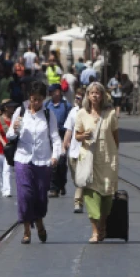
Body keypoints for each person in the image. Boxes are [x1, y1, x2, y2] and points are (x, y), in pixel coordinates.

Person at [7, 81, 63, 244]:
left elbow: (55, 138)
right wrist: (15, 128)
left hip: (43, 160)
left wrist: (55, 156)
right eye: (33, 99)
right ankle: (26, 230)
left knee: (40, 197)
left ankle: (38, 222)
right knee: (25, 195)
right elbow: (10, 135)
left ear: (44, 99)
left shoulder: (48, 115)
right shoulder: (21, 111)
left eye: (38, 99)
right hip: (22, 159)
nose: (35, 103)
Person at [73, 82, 119, 243]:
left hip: (107, 160)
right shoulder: (81, 114)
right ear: (87, 95)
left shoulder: (110, 113)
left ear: (102, 95)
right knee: (91, 195)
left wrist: (113, 154)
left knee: (107, 196)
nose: (95, 95)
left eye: (98, 93)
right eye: (91, 93)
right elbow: (76, 135)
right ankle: (95, 231)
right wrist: (82, 136)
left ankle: (103, 225)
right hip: (89, 159)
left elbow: (115, 136)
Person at [61, 86, 87, 213]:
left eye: (79, 98)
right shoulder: (73, 111)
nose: (76, 100)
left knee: (80, 179)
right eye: (76, 97)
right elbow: (68, 130)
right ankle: (82, 194)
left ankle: (78, 202)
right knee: (76, 179)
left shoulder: (90, 112)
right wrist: (64, 144)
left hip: (85, 151)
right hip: (72, 151)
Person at [43, 85, 72, 198]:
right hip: (50, 135)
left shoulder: (66, 105)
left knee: (61, 163)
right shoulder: (46, 105)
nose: (52, 94)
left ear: (59, 92)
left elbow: (71, 122)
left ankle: (62, 183)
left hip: (62, 134)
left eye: (54, 91)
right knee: (52, 162)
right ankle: (53, 188)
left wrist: (69, 139)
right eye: (50, 92)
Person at [0, 100, 14, 198]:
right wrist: (3, 142)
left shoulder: (14, 119)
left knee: (7, 169)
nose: (12, 108)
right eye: (11, 107)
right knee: (1, 170)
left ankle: (7, 190)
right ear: (6, 108)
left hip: (9, 149)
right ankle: (2, 188)